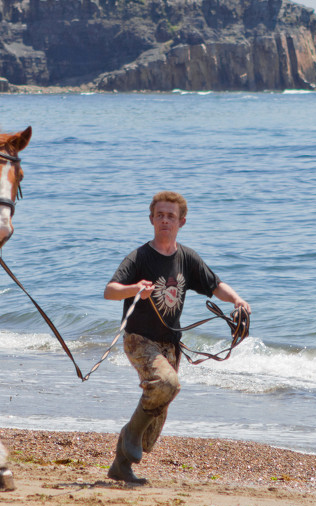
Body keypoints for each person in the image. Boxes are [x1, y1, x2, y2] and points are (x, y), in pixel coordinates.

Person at [103, 191, 251, 484]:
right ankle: (129, 434)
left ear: (182, 221)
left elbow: (214, 285)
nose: (165, 220)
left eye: (171, 216)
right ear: (151, 219)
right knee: (166, 384)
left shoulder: (186, 257)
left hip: (170, 344)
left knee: (155, 422)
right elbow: (110, 290)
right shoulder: (140, 256)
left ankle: (120, 466)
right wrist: (134, 289)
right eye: (160, 215)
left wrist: (237, 301)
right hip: (139, 339)